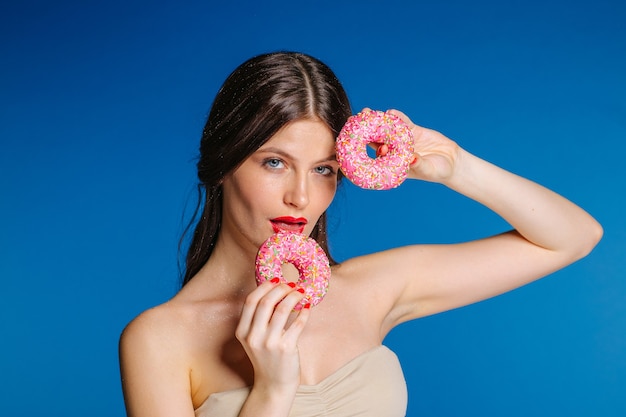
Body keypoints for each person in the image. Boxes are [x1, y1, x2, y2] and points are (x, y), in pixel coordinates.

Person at [118, 51, 602, 417]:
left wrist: (457, 167)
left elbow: (574, 237)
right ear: (222, 165)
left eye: (324, 169)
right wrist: (270, 391)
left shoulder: (370, 290)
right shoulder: (159, 340)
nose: (301, 197)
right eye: (274, 162)